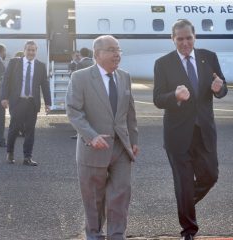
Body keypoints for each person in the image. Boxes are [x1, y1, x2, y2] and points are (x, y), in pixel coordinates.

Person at [153, 19, 227, 239]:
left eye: (188, 38)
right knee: (184, 183)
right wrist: (174, 96)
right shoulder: (163, 63)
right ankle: (189, 229)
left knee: (211, 176)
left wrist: (219, 89)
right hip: (177, 135)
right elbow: (157, 98)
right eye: (180, 39)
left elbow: (222, 87)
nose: (185, 43)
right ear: (172, 39)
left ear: (195, 37)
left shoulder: (209, 57)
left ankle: (184, 202)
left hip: (204, 131)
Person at [66, 35, 139, 240]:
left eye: (119, 50)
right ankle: (94, 234)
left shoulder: (124, 76)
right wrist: (91, 136)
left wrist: (133, 140)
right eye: (111, 50)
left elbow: (130, 112)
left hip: (121, 147)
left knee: (121, 195)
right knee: (94, 199)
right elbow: (73, 111)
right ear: (98, 54)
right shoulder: (80, 77)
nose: (117, 54)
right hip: (94, 148)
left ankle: (117, 235)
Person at [1, 40, 51, 166]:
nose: (31, 52)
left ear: (36, 51)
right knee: (14, 128)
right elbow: (6, 81)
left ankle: (27, 157)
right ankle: (10, 153)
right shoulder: (14, 63)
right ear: (24, 50)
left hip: (32, 103)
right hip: (17, 102)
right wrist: (4, 97)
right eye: (28, 50)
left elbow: (45, 85)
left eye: (33, 50)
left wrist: (48, 103)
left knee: (30, 131)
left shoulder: (40, 66)